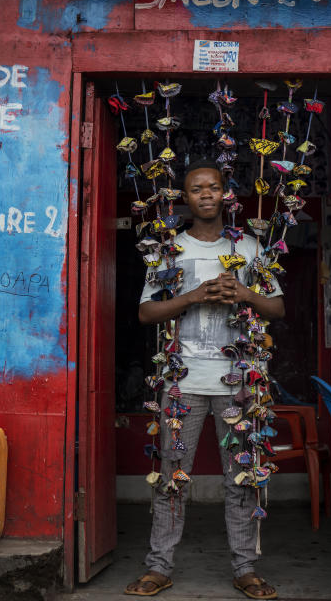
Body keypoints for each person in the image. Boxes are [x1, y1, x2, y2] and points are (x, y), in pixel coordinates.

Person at [125, 161, 283, 599]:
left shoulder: (251, 248)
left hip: (239, 387)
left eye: (214, 187)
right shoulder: (167, 251)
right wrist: (193, 297)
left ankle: (246, 569)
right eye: (197, 189)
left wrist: (245, 294)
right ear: (185, 198)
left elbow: (277, 310)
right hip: (182, 388)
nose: (207, 195)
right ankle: (159, 567)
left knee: (242, 479)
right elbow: (145, 312)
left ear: (227, 194)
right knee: (173, 475)